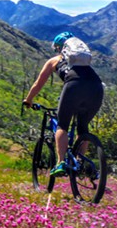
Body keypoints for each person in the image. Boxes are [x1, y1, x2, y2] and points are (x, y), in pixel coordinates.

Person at [22, 32, 104, 176]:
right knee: (82, 128)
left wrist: (28, 100)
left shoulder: (54, 61)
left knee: (62, 125)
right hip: (97, 87)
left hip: (74, 86)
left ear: (60, 48)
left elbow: (38, 84)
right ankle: (80, 162)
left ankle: (60, 163)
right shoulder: (83, 63)